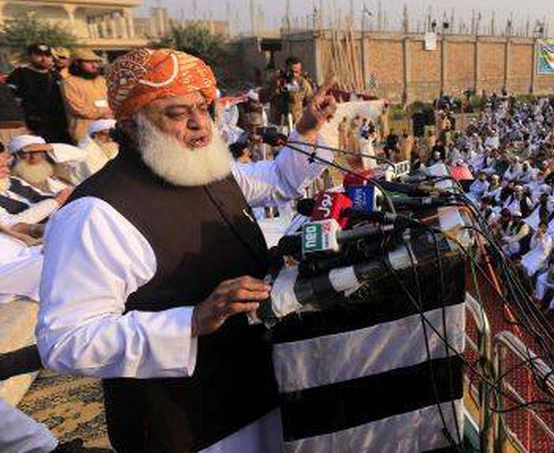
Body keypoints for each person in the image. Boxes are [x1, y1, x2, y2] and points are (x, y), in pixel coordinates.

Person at [35, 48, 337, 452]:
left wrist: (308, 130)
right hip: (188, 426)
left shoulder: (204, 167)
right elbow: (64, 341)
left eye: (203, 108)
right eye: (177, 114)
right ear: (133, 124)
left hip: (261, 391)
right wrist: (191, 321)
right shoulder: (95, 214)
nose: (200, 125)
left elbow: (280, 179)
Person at [5, 44, 70, 143]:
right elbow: (12, 100)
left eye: (47, 56)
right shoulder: (20, 73)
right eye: (39, 55)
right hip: (33, 124)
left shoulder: (55, 75)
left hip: (57, 125)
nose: (44, 59)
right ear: (30, 56)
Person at [0, 141, 70, 229]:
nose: (7, 170)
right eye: (1, 166)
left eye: (5, 165)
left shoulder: (13, 181)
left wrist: (63, 197)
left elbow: (41, 196)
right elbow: (10, 223)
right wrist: (56, 201)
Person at [60, 48, 111, 143]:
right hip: (85, 133)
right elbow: (78, 108)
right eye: (89, 62)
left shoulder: (102, 81)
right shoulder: (69, 82)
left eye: (95, 62)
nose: (94, 65)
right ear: (77, 63)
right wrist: (105, 112)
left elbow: (112, 101)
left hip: (108, 130)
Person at [7, 135, 73, 196]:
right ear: (16, 156)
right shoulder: (11, 185)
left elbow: (81, 155)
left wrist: (50, 147)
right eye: (27, 153)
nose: (34, 157)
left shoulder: (59, 178)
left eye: (38, 152)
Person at [264, 55, 315, 127]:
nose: (293, 75)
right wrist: (275, 86)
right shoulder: (275, 80)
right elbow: (264, 97)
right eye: (291, 71)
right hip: (277, 123)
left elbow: (309, 101)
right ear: (285, 69)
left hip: (296, 123)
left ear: (300, 71)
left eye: (297, 72)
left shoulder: (303, 84)